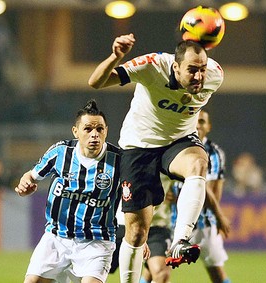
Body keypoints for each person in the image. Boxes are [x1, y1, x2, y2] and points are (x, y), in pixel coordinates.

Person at [88, 33, 224, 282]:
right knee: (137, 232)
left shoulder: (215, 76)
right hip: (139, 147)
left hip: (178, 142)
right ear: (175, 66)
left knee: (198, 163)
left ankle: (181, 240)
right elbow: (96, 82)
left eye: (202, 70)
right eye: (192, 70)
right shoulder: (152, 66)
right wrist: (115, 57)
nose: (199, 77)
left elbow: (204, 75)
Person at [14, 99, 124, 283]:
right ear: (76, 131)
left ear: (106, 131)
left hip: (96, 241)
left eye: (100, 129)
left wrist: (139, 238)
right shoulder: (60, 152)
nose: (94, 135)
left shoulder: (120, 160)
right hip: (57, 238)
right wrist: (24, 185)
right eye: (88, 129)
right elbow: (30, 176)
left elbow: (134, 197)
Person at [167, 109, 232, 283]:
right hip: (172, 222)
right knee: (156, 271)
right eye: (194, 119)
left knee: (217, 274)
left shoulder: (214, 154)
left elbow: (209, 191)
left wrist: (218, 215)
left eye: (202, 121)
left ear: (208, 127)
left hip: (205, 225)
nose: (197, 124)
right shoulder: (175, 146)